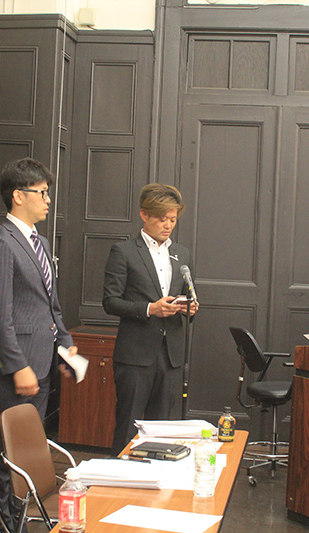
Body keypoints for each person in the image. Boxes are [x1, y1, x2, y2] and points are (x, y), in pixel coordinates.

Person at [0, 158, 77, 525]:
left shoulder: (40, 242)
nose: (48, 200)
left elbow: (50, 304)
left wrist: (65, 343)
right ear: (19, 196)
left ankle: (16, 517)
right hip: (13, 372)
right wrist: (17, 366)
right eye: (42, 193)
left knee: (25, 456)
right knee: (2, 454)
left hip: (42, 364)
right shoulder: (0, 244)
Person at [103, 183, 198, 455]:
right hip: (136, 354)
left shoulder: (182, 254)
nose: (168, 225)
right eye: (162, 219)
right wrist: (149, 309)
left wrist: (189, 307)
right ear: (144, 215)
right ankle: (120, 475)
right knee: (128, 426)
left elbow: (188, 292)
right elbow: (110, 301)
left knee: (163, 429)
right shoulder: (124, 252)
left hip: (171, 356)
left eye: (173, 220)